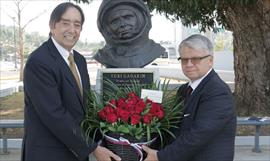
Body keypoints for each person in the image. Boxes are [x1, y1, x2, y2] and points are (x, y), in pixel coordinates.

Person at [21, 2, 120, 161]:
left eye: (77, 25)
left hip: (76, 153)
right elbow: (54, 114)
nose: (72, 30)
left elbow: (85, 107)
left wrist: (108, 138)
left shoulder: (79, 60)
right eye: (65, 23)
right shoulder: (39, 61)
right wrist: (93, 148)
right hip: (48, 154)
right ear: (52, 26)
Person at [142, 34, 236, 161]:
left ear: (210, 61)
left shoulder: (217, 92)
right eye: (184, 59)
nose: (189, 64)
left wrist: (160, 156)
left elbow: (198, 135)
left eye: (195, 59)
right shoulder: (184, 89)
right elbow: (174, 128)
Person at [93, 0, 166, 68]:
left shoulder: (153, 50)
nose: (123, 24)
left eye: (128, 17)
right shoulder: (105, 56)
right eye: (115, 21)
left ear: (142, 18)